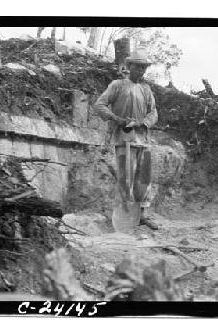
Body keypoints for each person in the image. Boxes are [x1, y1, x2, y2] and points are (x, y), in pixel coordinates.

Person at [94, 49, 159, 230]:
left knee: (144, 178)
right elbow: (99, 105)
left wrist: (143, 122)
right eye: (137, 67)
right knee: (125, 178)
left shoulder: (146, 90)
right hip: (123, 139)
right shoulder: (117, 85)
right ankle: (123, 220)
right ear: (129, 67)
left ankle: (142, 215)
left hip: (143, 140)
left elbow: (153, 113)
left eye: (143, 67)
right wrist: (117, 119)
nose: (141, 70)